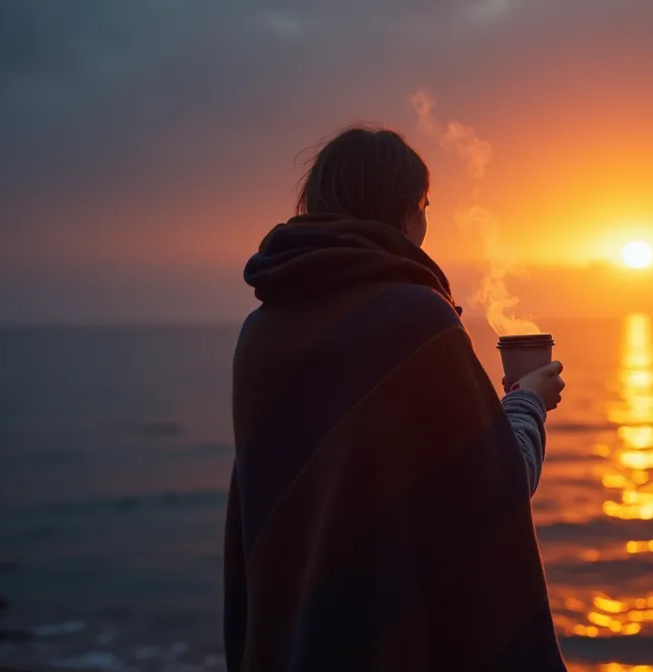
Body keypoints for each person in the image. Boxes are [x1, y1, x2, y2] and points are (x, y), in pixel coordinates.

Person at [223, 126, 568, 671]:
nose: (426, 223)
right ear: (405, 210)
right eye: (425, 205)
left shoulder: (258, 334)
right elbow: (493, 487)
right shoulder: (416, 319)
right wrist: (528, 404)